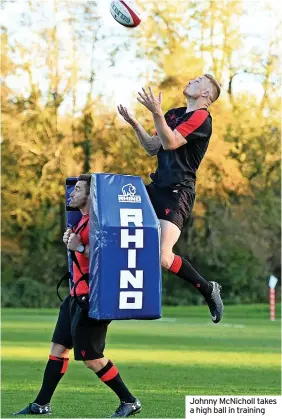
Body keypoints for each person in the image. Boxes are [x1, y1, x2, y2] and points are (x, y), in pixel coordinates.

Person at [14, 174, 141, 418]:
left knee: (92, 360)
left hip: (93, 301)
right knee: (58, 349)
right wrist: (73, 243)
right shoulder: (83, 221)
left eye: (79, 189)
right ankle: (41, 405)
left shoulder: (101, 222)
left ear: (91, 195)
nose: (72, 193)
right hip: (75, 298)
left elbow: (111, 257)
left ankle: (129, 401)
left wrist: (79, 247)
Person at [117, 74, 224, 323]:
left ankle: (208, 289)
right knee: (122, 228)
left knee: (163, 256)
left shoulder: (202, 118)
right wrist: (135, 124)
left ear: (206, 94)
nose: (191, 81)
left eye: (198, 81)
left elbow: (172, 142)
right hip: (155, 188)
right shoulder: (174, 114)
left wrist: (155, 112)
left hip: (178, 192)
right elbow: (153, 146)